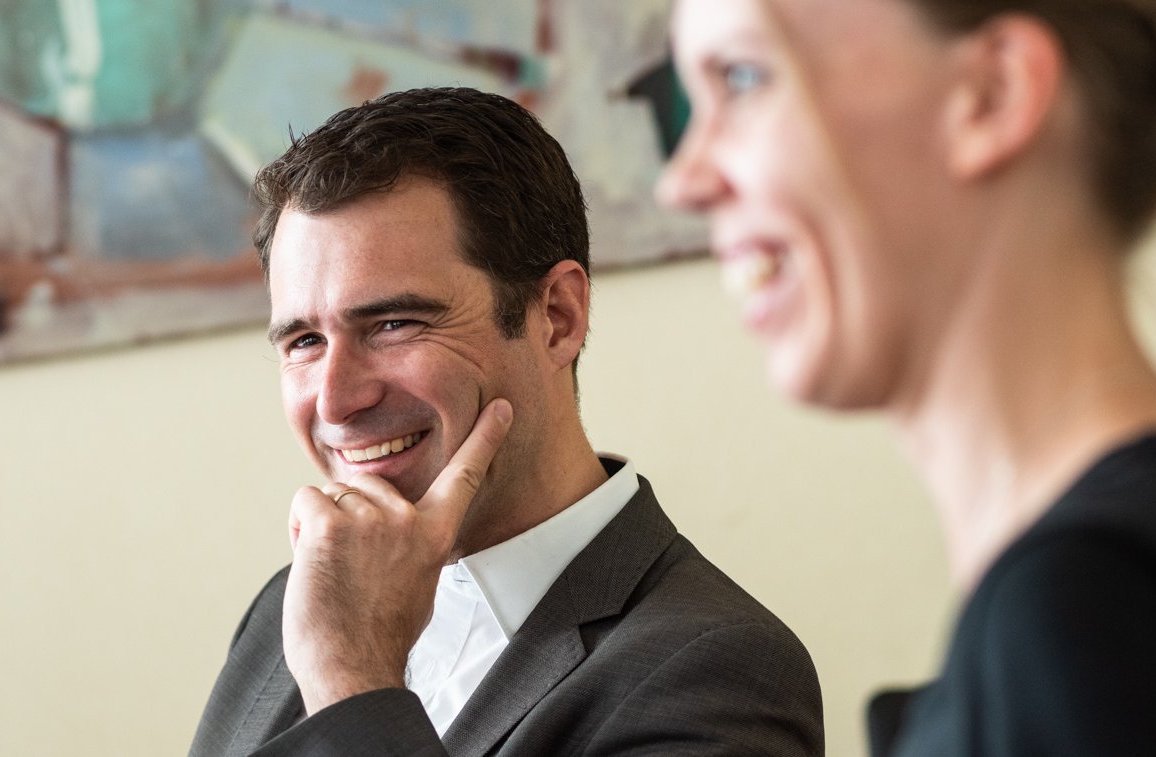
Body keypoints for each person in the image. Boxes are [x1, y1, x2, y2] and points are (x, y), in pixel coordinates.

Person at [658, 1, 1156, 755]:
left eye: (744, 77)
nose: (682, 182)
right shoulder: (1116, 575)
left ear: (992, 95)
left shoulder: (1093, 607)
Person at [188, 87, 824, 757]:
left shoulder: (717, 670)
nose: (335, 401)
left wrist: (350, 680)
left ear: (557, 317)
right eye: (304, 342)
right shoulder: (292, 603)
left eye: (394, 323)